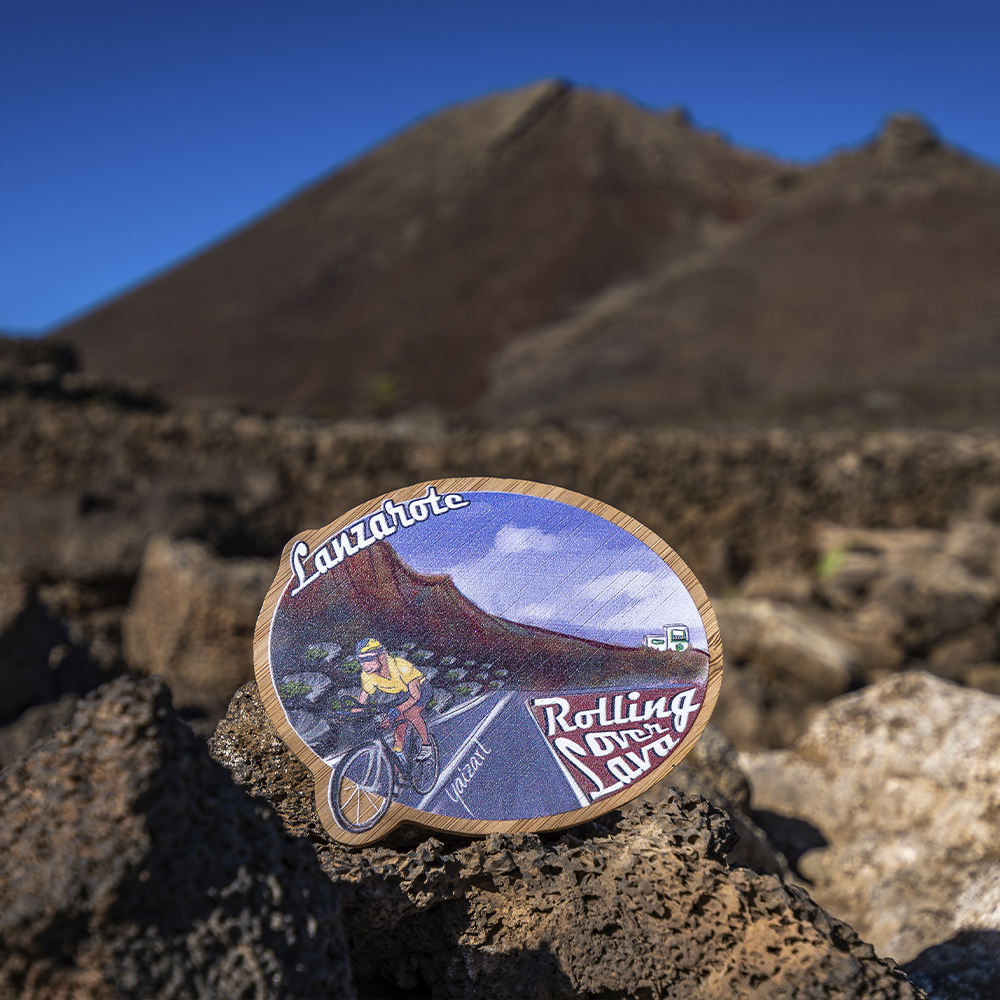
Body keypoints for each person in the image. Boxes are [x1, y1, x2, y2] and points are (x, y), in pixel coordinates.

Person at [351, 638, 433, 759]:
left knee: (410, 713)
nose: (364, 665)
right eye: (361, 660)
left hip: (421, 690)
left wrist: (397, 710)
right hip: (402, 693)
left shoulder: (401, 666)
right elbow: (364, 695)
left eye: (368, 659)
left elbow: (415, 696)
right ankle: (398, 757)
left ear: (382, 656)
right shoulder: (367, 675)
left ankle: (426, 745)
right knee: (398, 723)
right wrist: (354, 710)